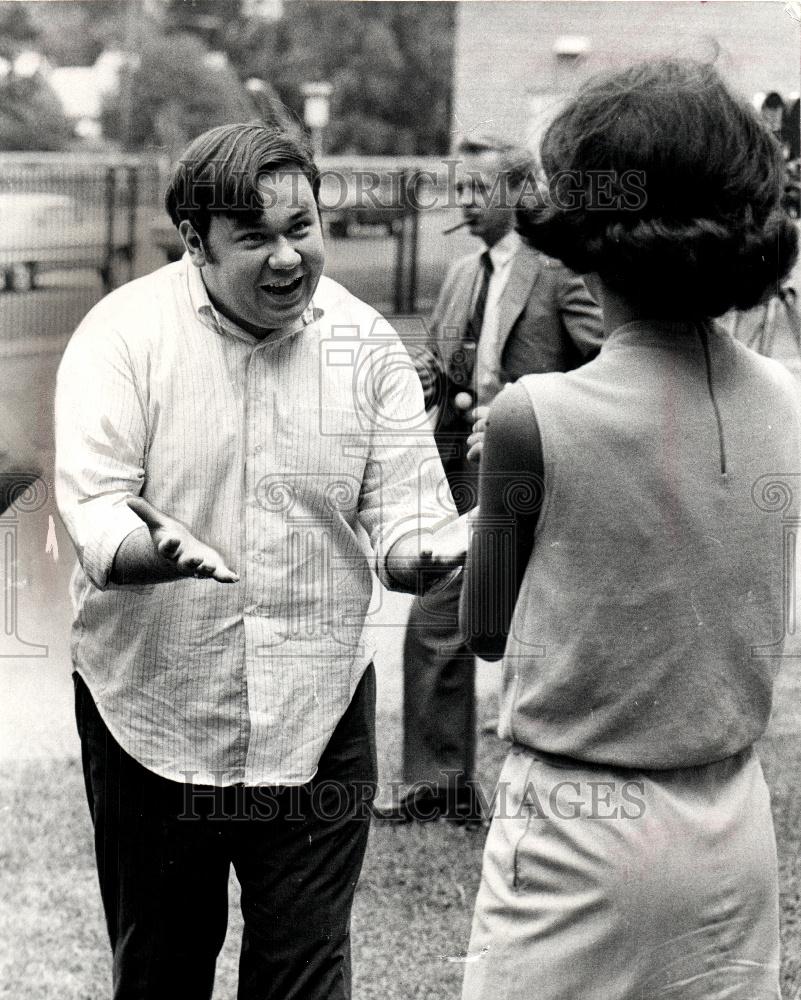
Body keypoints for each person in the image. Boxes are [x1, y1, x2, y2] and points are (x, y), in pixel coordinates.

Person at [55, 121, 464, 1000]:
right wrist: (151, 552)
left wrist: (443, 549)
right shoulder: (121, 337)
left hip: (318, 717)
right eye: (255, 238)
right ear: (195, 242)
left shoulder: (364, 347)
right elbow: (93, 514)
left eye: (301, 228)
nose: (287, 259)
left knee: (305, 974)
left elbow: (404, 525)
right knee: (161, 969)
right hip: (155, 713)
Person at [460, 60, 800, 999]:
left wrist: (480, 528)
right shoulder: (787, 401)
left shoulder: (535, 415)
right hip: (733, 827)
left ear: (587, 237)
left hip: (578, 833)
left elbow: (485, 627)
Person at [376, 136, 602, 823]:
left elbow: (606, 368)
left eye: (478, 190)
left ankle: (563, 790)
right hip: (465, 478)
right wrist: (423, 378)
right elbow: (445, 368)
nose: (464, 204)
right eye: (457, 191)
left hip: (541, 478)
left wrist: (538, 414)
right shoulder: (460, 273)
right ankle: (438, 784)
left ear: (516, 192)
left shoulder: (558, 272)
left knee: (546, 632)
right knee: (438, 615)